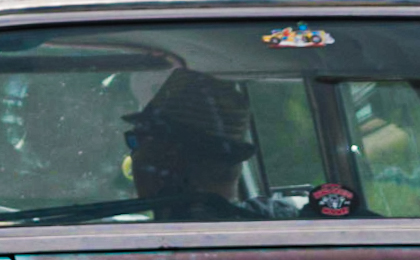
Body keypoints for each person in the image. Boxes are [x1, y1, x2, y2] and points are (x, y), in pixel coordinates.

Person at [125, 69, 299, 219]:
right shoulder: (281, 220)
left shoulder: (143, 245)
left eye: (137, 142)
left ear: (167, 157)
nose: (133, 155)